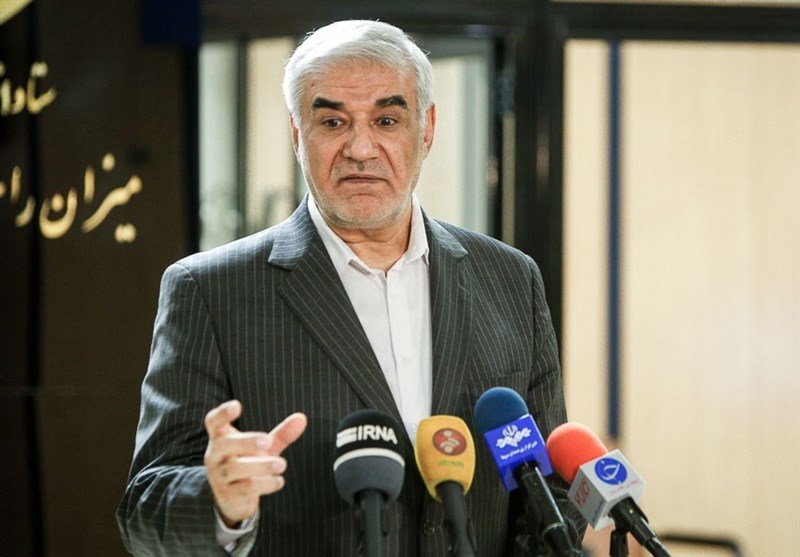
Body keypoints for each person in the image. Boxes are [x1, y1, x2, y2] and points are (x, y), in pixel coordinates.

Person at [117, 19, 586, 556]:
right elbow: (143, 514)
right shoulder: (210, 291)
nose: (361, 148)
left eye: (387, 120)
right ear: (298, 134)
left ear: (427, 129)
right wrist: (219, 501)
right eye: (333, 122)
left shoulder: (510, 278)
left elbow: (549, 489)